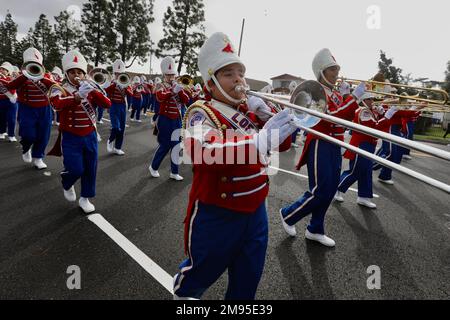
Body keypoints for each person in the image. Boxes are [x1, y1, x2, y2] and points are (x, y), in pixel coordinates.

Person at [173, 32, 295, 300]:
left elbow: (282, 147)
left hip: (256, 212)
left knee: (248, 279)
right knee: (201, 272)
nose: (239, 79)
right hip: (218, 213)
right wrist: (260, 139)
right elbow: (203, 153)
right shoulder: (200, 111)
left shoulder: (249, 114)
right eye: (229, 73)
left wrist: (277, 118)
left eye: (241, 73)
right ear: (211, 82)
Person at [279, 48, 365, 247]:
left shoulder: (332, 93)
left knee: (331, 187)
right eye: (332, 69)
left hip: (334, 143)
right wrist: (353, 98)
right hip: (320, 142)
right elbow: (332, 118)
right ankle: (288, 214)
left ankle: (315, 228)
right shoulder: (316, 90)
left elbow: (346, 117)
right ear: (321, 71)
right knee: (320, 190)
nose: (337, 73)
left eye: (337, 69)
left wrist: (346, 97)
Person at [48, 50, 111, 213]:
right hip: (70, 136)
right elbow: (56, 104)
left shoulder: (89, 87)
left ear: (84, 73)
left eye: (79, 72)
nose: (76, 75)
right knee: (76, 168)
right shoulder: (58, 88)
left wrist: (93, 89)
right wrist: (77, 96)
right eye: (72, 72)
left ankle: (85, 197)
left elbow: (107, 104)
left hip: (90, 135)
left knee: (91, 168)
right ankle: (67, 181)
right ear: (66, 73)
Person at [334, 93, 397, 208]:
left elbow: (381, 126)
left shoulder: (371, 111)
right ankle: (336, 188)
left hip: (369, 145)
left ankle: (363, 197)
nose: (372, 101)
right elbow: (374, 127)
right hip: (361, 145)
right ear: (363, 100)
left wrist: (382, 114)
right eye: (369, 99)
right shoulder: (363, 111)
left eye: (372, 99)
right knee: (355, 171)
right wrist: (387, 116)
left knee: (367, 172)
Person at [3, 48, 55, 169]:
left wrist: (42, 77)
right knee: (28, 134)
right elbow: (10, 86)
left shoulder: (46, 76)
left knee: (43, 134)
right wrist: (25, 75)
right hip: (27, 109)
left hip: (44, 109)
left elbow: (55, 88)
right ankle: (26, 148)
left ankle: (38, 157)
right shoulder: (22, 77)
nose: (34, 67)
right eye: (31, 65)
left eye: (37, 65)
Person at [148, 57, 189, 181]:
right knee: (165, 145)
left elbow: (186, 100)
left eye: (172, 75)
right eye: (168, 75)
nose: (171, 77)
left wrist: (180, 90)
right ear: (164, 74)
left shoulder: (178, 85)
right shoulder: (160, 85)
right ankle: (153, 167)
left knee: (176, 146)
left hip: (177, 120)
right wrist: (172, 90)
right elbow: (160, 97)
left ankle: (174, 172)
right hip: (165, 119)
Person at [105, 60, 132, 155]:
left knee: (122, 128)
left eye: (120, 73)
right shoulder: (112, 82)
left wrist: (125, 86)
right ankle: (110, 140)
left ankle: (117, 148)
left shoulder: (126, 82)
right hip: (113, 105)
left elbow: (131, 93)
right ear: (114, 73)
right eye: (117, 73)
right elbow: (105, 90)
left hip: (122, 106)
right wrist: (115, 84)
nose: (118, 75)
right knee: (116, 127)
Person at [0, 61, 18, 142]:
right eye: (1, 69)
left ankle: (11, 135)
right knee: (1, 117)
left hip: (11, 101)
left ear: (8, 71)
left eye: (4, 69)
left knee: (12, 118)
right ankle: (2, 132)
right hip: (1, 100)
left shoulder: (12, 78)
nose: (1, 70)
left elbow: (13, 90)